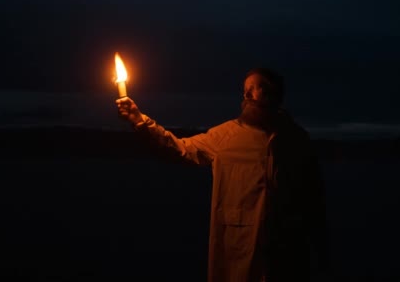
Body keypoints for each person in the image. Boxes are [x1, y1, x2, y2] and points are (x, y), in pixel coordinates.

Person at [116, 68, 330, 282]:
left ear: (275, 94)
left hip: (287, 257)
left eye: (257, 88)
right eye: (246, 90)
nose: (247, 95)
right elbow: (179, 148)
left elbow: (315, 200)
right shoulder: (226, 136)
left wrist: (322, 255)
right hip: (238, 253)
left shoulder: (296, 139)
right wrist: (139, 120)